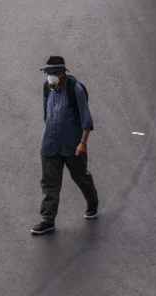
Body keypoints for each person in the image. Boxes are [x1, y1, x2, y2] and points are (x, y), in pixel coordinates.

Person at [31, 56, 99, 235]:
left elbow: (86, 119)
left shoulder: (75, 89)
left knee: (80, 177)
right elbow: (47, 115)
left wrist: (82, 143)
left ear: (62, 73)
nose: (50, 76)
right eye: (48, 73)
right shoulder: (47, 88)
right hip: (50, 144)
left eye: (53, 73)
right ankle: (48, 220)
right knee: (49, 184)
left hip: (72, 145)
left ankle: (92, 203)